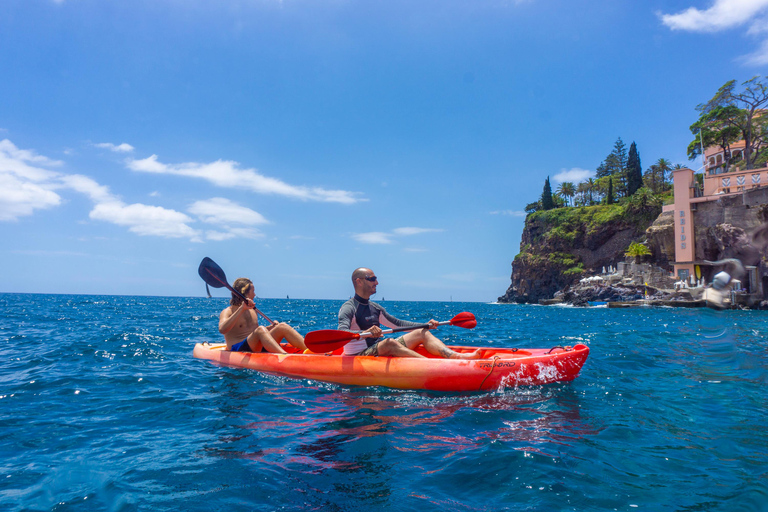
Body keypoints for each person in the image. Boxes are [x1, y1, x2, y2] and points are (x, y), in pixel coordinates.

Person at [337, 268, 481, 359]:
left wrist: (426, 325)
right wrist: (366, 332)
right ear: (359, 282)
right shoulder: (349, 307)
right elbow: (341, 332)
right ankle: (428, 365)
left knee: (421, 332)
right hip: (357, 355)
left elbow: (398, 324)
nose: (377, 282)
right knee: (389, 342)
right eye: (372, 279)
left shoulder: (375, 307)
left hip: (376, 349)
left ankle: (455, 357)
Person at [219, 278, 307, 353]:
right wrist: (241, 309)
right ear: (245, 293)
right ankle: (285, 356)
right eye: (253, 291)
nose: (255, 294)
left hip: (255, 346)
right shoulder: (227, 311)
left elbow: (255, 333)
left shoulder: (253, 311)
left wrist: (271, 327)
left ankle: (310, 350)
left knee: (282, 326)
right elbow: (222, 329)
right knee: (260, 329)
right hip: (237, 349)